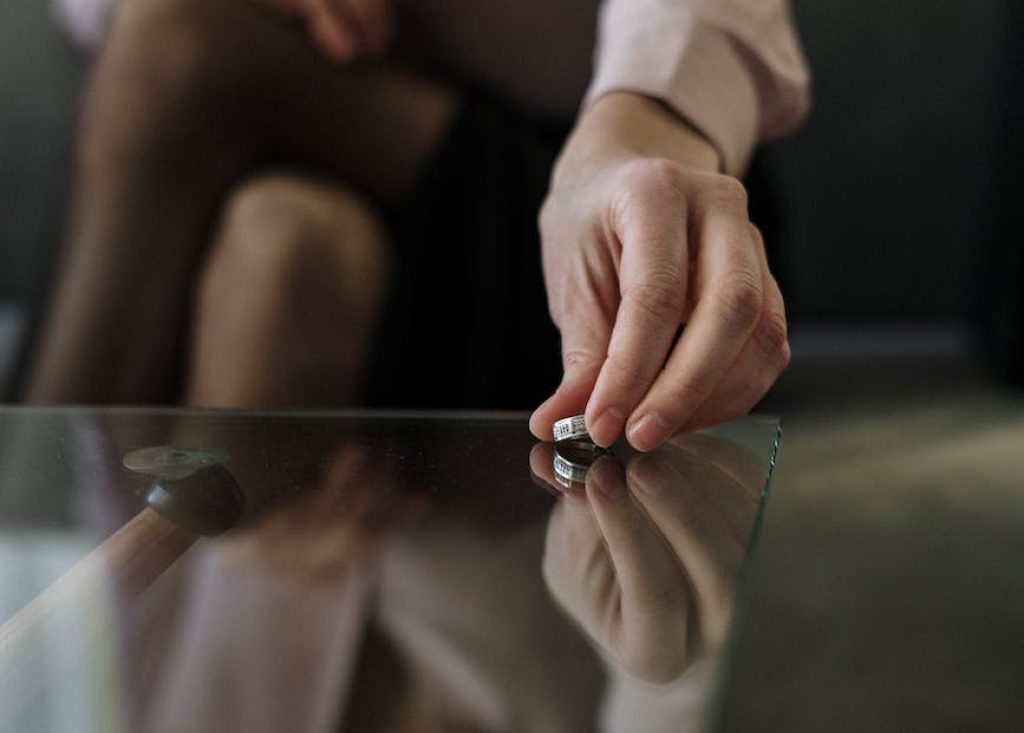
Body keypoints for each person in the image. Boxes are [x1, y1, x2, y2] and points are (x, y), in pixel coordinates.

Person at [25, 0, 810, 451]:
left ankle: (37, 552)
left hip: (558, 186)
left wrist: (639, 129)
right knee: (285, 243)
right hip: (299, 140)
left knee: (177, 48)